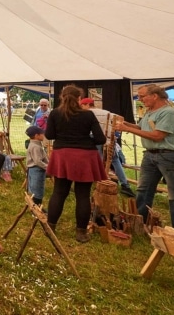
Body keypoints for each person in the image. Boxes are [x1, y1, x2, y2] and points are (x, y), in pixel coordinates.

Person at [115, 83, 174, 237]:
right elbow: (141, 128)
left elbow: (158, 136)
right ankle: (139, 225)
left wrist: (127, 129)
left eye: (142, 96)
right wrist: (125, 124)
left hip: (169, 157)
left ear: (154, 96)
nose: (140, 99)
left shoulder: (168, 113)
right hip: (150, 156)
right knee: (143, 191)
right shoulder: (150, 112)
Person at [45, 85, 107, 243]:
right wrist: (84, 140)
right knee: (83, 195)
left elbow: (49, 135)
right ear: (79, 99)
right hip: (85, 156)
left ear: (62, 97)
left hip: (63, 155)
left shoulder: (55, 113)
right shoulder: (88, 115)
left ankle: (50, 227)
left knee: (59, 192)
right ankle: (81, 232)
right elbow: (101, 139)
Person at [79, 97, 135, 198]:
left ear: (87, 105)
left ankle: (100, 182)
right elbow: (121, 119)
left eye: (82, 106)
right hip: (109, 139)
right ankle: (125, 185)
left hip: (95, 139)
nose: (81, 108)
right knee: (115, 161)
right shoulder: (106, 112)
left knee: (98, 161)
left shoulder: (86, 114)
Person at [25, 126, 48, 206]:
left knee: (34, 188)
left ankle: (34, 206)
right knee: (37, 189)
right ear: (36, 136)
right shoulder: (35, 147)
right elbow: (38, 161)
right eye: (42, 134)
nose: (43, 135)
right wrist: (48, 167)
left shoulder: (36, 145)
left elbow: (44, 157)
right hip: (36, 170)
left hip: (34, 169)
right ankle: (36, 208)